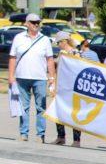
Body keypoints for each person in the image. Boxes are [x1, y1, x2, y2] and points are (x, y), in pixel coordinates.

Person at [8, 13, 55, 143]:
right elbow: (12, 58)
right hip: (22, 77)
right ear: (27, 24)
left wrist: (51, 77)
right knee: (24, 107)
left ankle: (41, 134)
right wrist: (11, 76)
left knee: (41, 107)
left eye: (38, 22)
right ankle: (24, 133)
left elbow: (50, 59)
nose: (36, 25)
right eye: (33, 22)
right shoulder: (18, 38)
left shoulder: (45, 39)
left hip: (40, 78)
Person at [50, 32, 83, 147]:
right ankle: (61, 137)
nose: (58, 45)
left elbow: (79, 68)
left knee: (75, 113)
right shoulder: (61, 53)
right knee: (58, 111)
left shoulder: (75, 53)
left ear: (64, 41)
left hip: (73, 88)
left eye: (59, 42)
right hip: (61, 86)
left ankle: (76, 140)